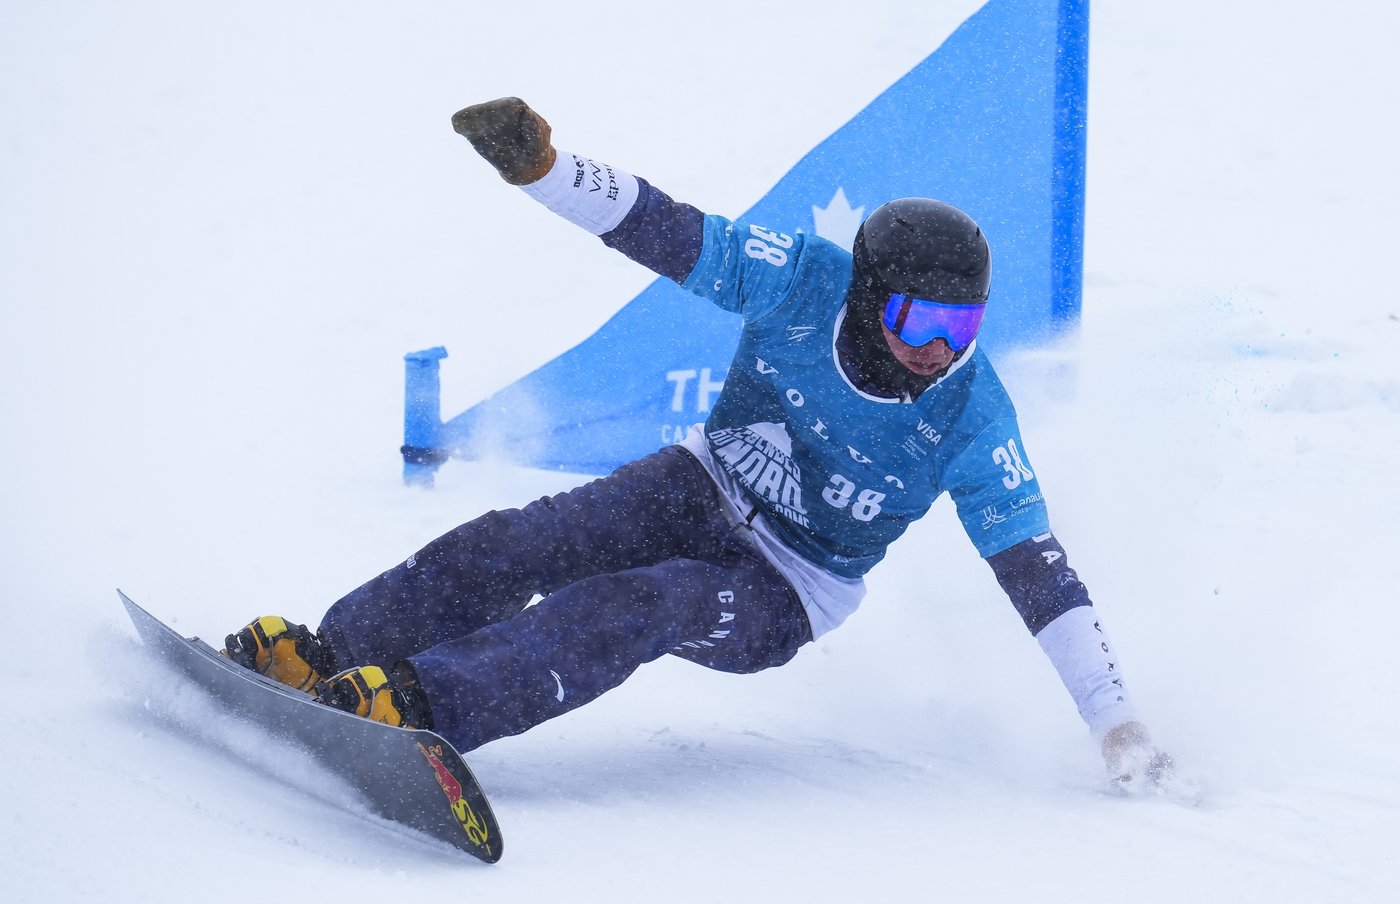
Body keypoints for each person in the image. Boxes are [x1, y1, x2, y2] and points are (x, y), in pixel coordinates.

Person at [224, 97, 1173, 792]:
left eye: (961, 326)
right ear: (864, 294)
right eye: (918, 319)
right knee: (525, 539)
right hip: (699, 482)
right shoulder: (803, 281)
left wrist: (1116, 722)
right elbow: (675, 235)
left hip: (792, 585)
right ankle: (328, 654)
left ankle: (419, 708)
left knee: (644, 600)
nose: (937, 349)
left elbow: (1038, 573)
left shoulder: (971, 415)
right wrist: (546, 172)